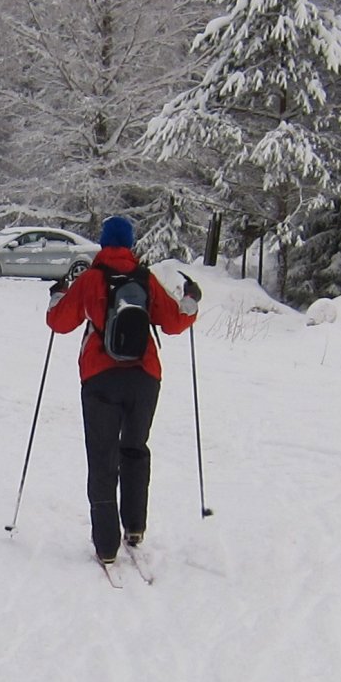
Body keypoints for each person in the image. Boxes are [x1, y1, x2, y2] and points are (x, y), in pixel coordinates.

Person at [45, 215, 199, 565]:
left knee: (102, 457)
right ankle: (135, 527)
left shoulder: (90, 279)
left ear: (102, 243)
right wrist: (190, 300)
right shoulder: (145, 279)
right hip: (144, 377)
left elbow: (59, 323)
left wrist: (57, 297)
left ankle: (106, 545)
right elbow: (175, 322)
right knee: (134, 448)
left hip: (100, 377)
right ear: (130, 244)